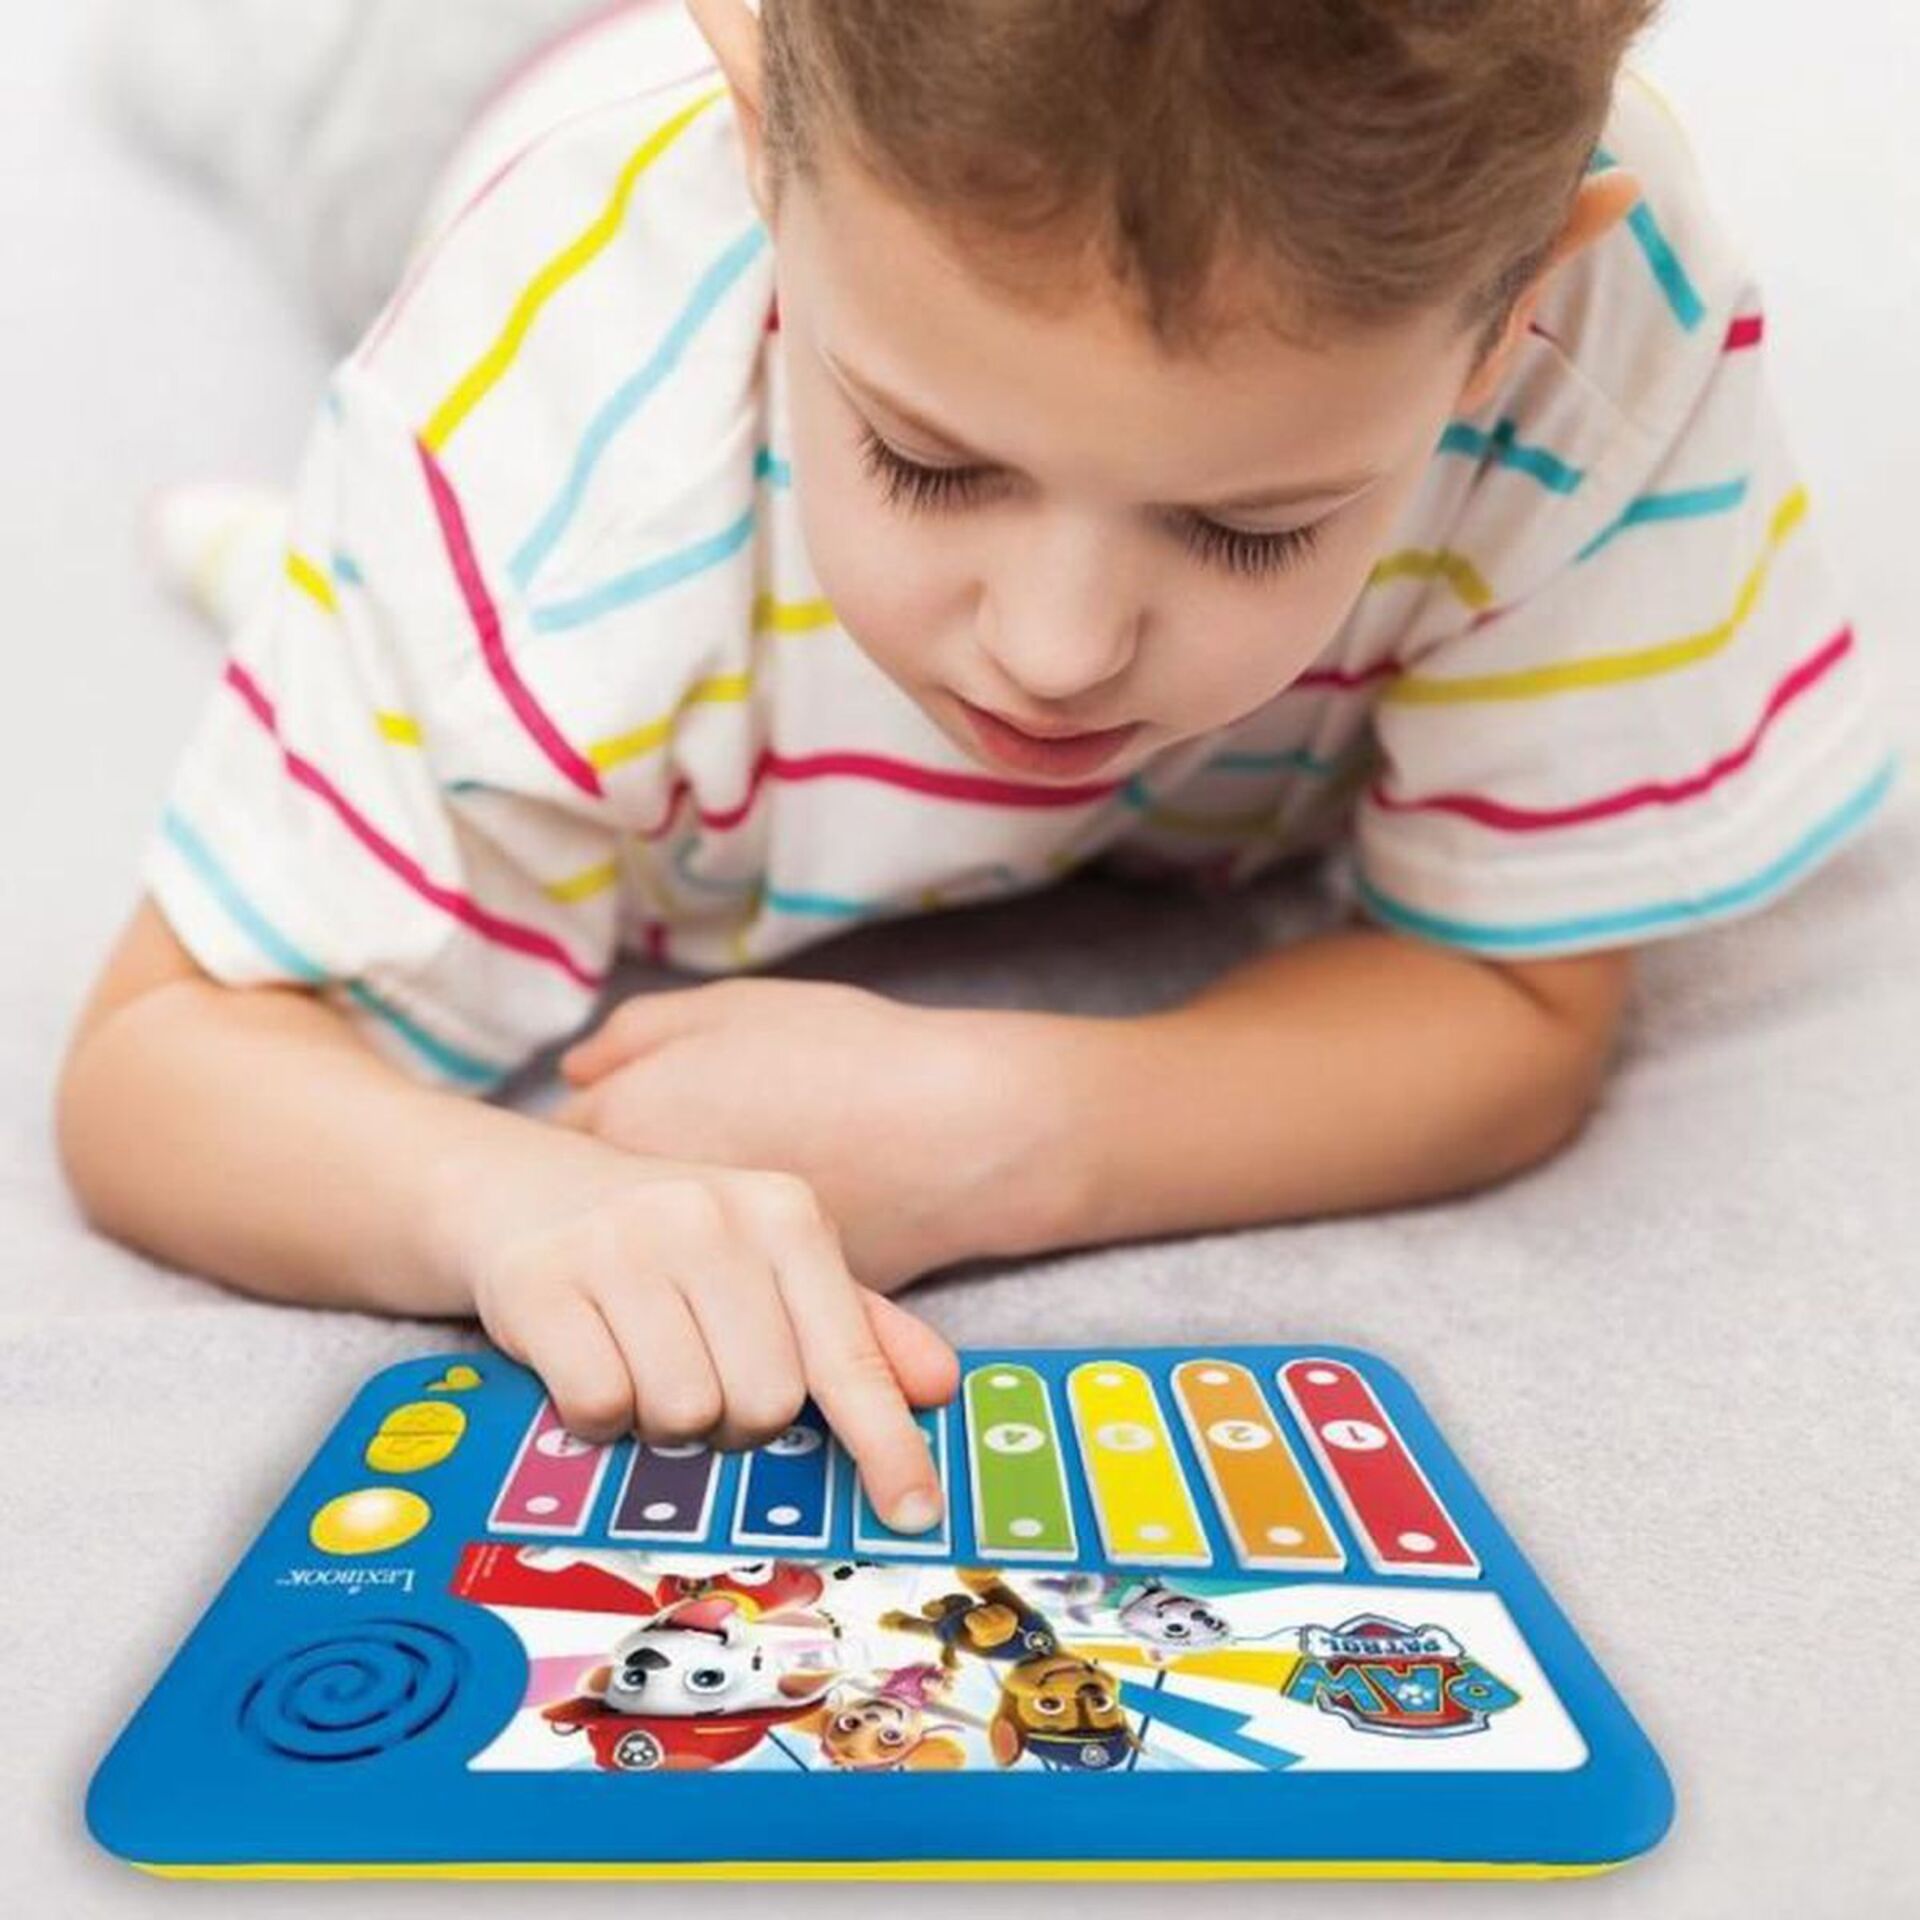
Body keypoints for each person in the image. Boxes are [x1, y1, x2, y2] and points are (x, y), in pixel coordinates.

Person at [57, 1, 1892, 1537]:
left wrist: (1012, 1132)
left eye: (1252, 526)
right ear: (759, 140)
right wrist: (514, 1203)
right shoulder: (548, 432)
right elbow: (162, 1060)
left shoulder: (1605, 321)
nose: (1058, 648)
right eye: (930, 463)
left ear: (1514, 313)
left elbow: (1520, 1000)